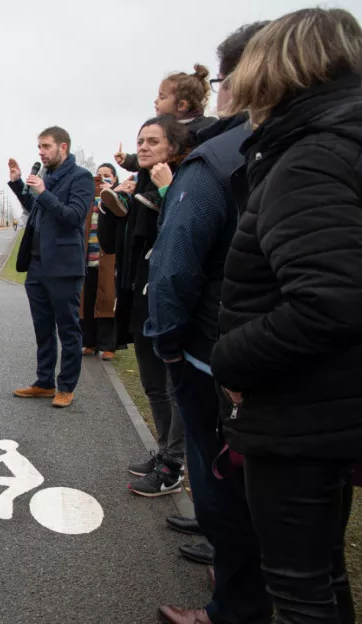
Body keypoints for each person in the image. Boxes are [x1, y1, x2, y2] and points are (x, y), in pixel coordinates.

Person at [211, 9, 362, 623]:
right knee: (321, 571)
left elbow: (329, 297)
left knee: (298, 586)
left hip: (301, 411)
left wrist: (232, 356)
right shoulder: (341, 139)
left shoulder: (311, 157)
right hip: (330, 404)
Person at [145, 21, 272, 624]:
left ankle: (234, 605)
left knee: (222, 477)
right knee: (295, 522)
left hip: (214, 352)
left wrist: (168, 343)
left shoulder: (217, 159)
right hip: (279, 353)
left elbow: (173, 269)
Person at [106, 116, 192, 496]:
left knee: (175, 386)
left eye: (152, 141)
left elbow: (183, 231)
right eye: (140, 141)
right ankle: (163, 453)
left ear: (172, 148)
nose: (142, 147)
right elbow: (114, 242)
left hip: (166, 296)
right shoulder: (139, 182)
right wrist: (114, 203)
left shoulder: (185, 181)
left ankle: (176, 464)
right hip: (137, 292)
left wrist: (166, 190)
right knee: (152, 384)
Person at [7, 127, 93, 408]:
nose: (41, 152)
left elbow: (73, 216)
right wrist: (20, 184)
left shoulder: (80, 177)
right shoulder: (47, 177)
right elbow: (37, 209)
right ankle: (44, 382)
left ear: (63, 147)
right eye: (39, 147)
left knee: (68, 329)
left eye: (46, 146)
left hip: (64, 268)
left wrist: (42, 192)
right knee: (42, 329)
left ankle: (66, 386)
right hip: (37, 266)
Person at [114, 65, 217, 174]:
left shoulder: (200, 133)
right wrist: (128, 160)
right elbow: (150, 156)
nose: (156, 101)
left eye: (162, 97)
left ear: (181, 105)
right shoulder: (166, 128)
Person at [80, 164, 119, 361]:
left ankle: (107, 345)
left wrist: (111, 195)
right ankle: (89, 342)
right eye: (100, 175)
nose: (103, 179)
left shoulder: (118, 198)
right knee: (86, 303)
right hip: (87, 260)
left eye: (108, 176)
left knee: (107, 302)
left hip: (109, 261)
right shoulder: (88, 199)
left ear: (114, 178)